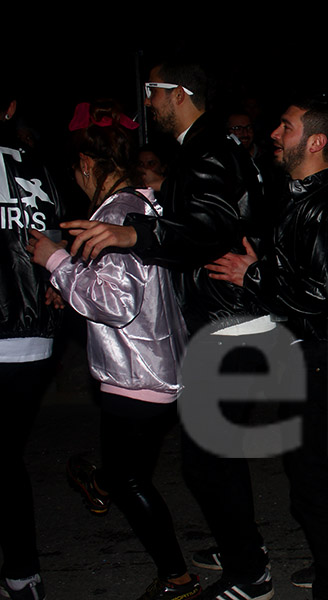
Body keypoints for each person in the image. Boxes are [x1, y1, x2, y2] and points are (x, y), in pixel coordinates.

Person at [61, 57, 271, 600]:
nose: (147, 103)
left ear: (177, 92)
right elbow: (227, 219)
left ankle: (250, 572)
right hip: (229, 322)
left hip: (227, 326)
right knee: (210, 461)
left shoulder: (204, 149)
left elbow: (208, 226)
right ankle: (240, 549)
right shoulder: (207, 148)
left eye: (153, 92)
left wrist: (134, 233)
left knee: (208, 463)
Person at [205, 96, 328, 599]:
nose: (274, 134)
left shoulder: (326, 205)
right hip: (316, 354)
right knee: (314, 474)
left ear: (316, 141)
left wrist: (253, 274)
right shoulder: (303, 196)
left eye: (286, 126)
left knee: (310, 485)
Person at [27, 100, 198, 600]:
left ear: (84, 162)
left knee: (128, 481)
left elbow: (115, 301)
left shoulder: (120, 211)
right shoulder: (137, 204)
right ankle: (102, 481)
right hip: (152, 361)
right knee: (128, 470)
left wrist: (55, 260)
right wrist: (73, 276)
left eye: (74, 169)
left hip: (137, 370)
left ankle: (178, 579)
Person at [0, 79, 63, 600]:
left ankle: (21, 573)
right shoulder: (36, 165)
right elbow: (56, 234)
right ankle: (23, 574)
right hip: (33, 337)